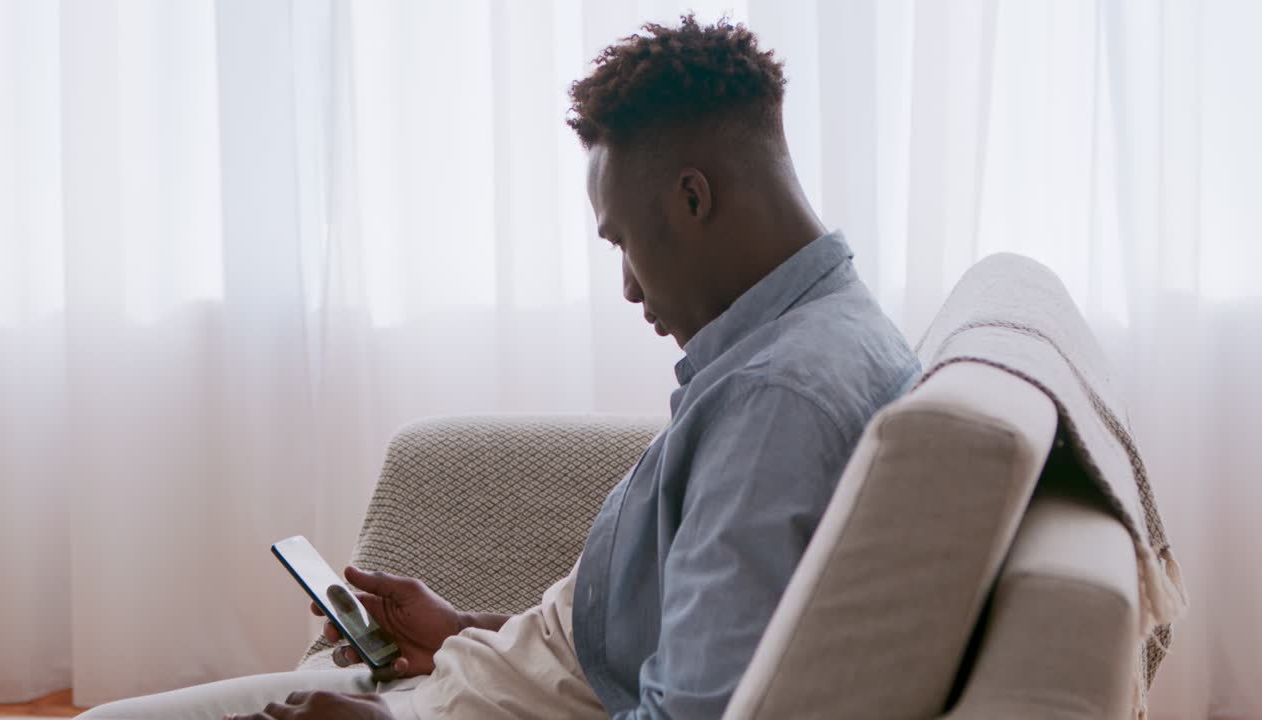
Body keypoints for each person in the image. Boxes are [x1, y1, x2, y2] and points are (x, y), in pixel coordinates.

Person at [80, 15, 919, 720]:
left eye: (622, 240)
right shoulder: (814, 337)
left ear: (693, 199)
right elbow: (654, 635)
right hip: (474, 678)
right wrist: (467, 631)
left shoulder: (776, 402)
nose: (628, 288)